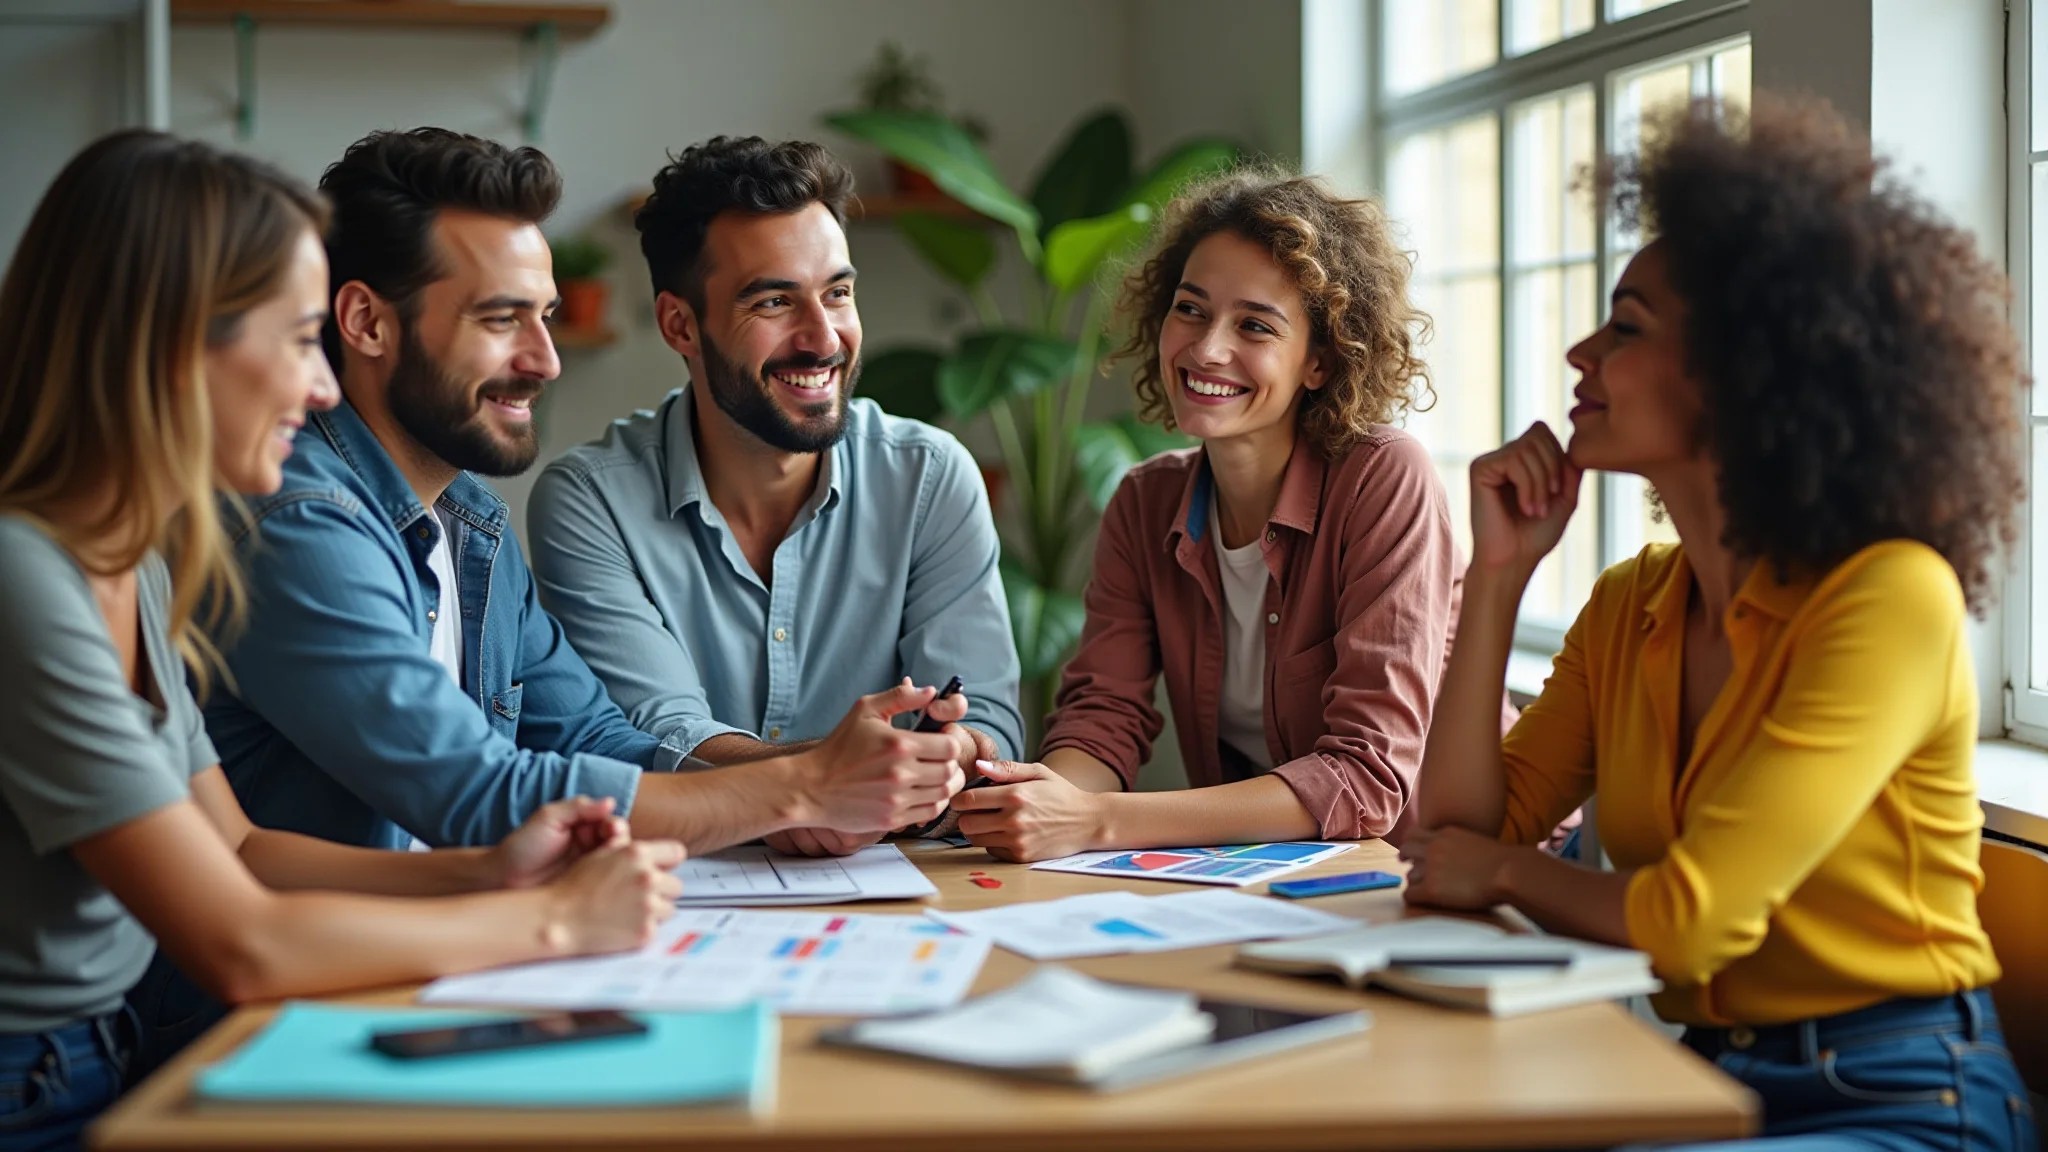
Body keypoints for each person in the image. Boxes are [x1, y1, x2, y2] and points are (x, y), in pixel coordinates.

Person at [0, 131, 682, 1152]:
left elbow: (239, 850)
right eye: (293, 339)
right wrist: (555, 924)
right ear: (172, 342)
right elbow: (238, 942)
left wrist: (494, 868)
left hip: (99, 1059)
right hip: (39, 1094)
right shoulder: (24, 578)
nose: (322, 388)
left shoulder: (126, 564)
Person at [1399, 97, 2036, 1150]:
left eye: (1624, 327)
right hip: (1701, 1079)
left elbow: (1686, 925)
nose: (1577, 353)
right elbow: (1458, 828)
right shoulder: (1627, 605)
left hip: (1903, 1097)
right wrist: (1496, 581)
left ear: (1746, 372)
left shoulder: (1884, 597)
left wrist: (1507, 875)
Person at [199, 128, 966, 862]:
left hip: (429, 959)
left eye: (546, 318)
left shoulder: (470, 523)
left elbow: (594, 739)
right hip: (288, 992)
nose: (545, 361)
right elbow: (477, 789)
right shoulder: (300, 520)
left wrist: (831, 767)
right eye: (501, 319)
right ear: (367, 322)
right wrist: (797, 791)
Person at [953, 168, 1505, 862]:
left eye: (1255, 325)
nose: (1207, 348)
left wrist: (1095, 820)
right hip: (1269, 879)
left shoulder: (1384, 476)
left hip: (1445, 873)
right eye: (1190, 309)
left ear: (1320, 361)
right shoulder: (1143, 501)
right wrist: (1033, 802)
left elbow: (1366, 779)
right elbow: (1103, 720)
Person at [528, 136, 1022, 858]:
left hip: (907, 886)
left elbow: (990, 730)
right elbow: (659, 734)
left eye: (838, 293)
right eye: (774, 301)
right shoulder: (589, 503)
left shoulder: (929, 477)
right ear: (679, 325)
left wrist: (950, 754)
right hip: (672, 893)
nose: (823, 338)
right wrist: (830, 780)